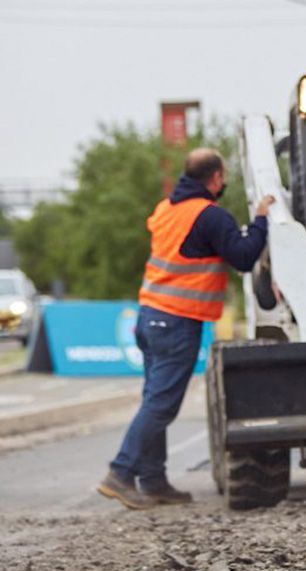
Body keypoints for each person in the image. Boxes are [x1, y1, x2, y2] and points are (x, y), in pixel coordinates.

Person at [98, 148, 274, 510]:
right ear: (216, 178)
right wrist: (260, 221)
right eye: (223, 176)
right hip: (177, 320)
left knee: (153, 401)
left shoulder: (166, 209)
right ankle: (121, 472)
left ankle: (153, 481)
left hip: (149, 316)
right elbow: (242, 257)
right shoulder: (210, 216)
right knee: (161, 406)